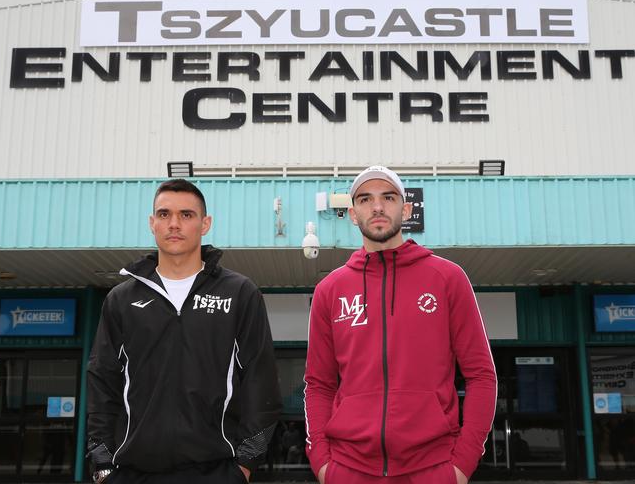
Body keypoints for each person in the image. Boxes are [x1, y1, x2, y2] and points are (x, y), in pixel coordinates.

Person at [304, 166, 497, 484]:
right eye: (366, 199)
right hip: (347, 469)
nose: (377, 207)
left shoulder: (447, 278)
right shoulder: (330, 289)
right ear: (353, 214)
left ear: (405, 209)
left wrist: (461, 465)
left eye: (388, 197)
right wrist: (323, 463)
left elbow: (481, 376)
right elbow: (319, 384)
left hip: (433, 468)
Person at [87, 179, 282, 484]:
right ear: (152, 223)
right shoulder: (121, 299)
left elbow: (261, 381)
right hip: (132, 474)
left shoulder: (240, 292)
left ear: (205, 224)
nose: (174, 224)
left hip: (218, 472)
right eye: (164, 214)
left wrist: (245, 465)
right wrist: (102, 465)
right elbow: (102, 382)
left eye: (186, 215)